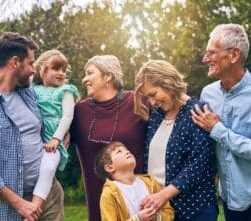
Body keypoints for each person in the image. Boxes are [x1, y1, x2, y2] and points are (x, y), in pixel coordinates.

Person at [0, 32, 64, 221]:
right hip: (8, 209)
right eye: (30, 63)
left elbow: (51, 118)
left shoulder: (28, 93)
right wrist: (20, 204)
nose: (33, 70)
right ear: (14, 62)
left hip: (48, 196)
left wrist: (61, 136)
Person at [191, 23, 251, 221]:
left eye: (211, 52)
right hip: (228, 199)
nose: (205, 58)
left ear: (234, 55)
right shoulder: (208, 94)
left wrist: (218, 129)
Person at [134, 60, 218, 221]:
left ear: (168, 83)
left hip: (194, 209)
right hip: (161, 210)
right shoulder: (156, 115)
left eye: (153, 94)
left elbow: (198, 164)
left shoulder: (198, 111)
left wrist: (163, 195)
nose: (152, 102)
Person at [71, 55, 147, 221]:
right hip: (99, 207)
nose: (84, 79)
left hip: (140, 205)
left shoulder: (137, 101)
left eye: (90, 73)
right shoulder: (78, 111)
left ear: (108, 76)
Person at [31, 49, 76, 209]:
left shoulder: (66, 91)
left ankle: (35, 206)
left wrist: (57, 138)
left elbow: (67, 116)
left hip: (54, 138)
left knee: (49, 167)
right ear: (43, 70)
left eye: (63, 70)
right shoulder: (33, 90)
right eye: (56, 69)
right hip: (36, 136)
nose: (61, 73)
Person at [95, 141, 175, 221]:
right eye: (119, 151)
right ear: (110, 168)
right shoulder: (108, 194)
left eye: (127, 149)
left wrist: (157, 218)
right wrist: (138, 219)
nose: (127, 151)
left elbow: (169, 212)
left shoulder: (150, 182)